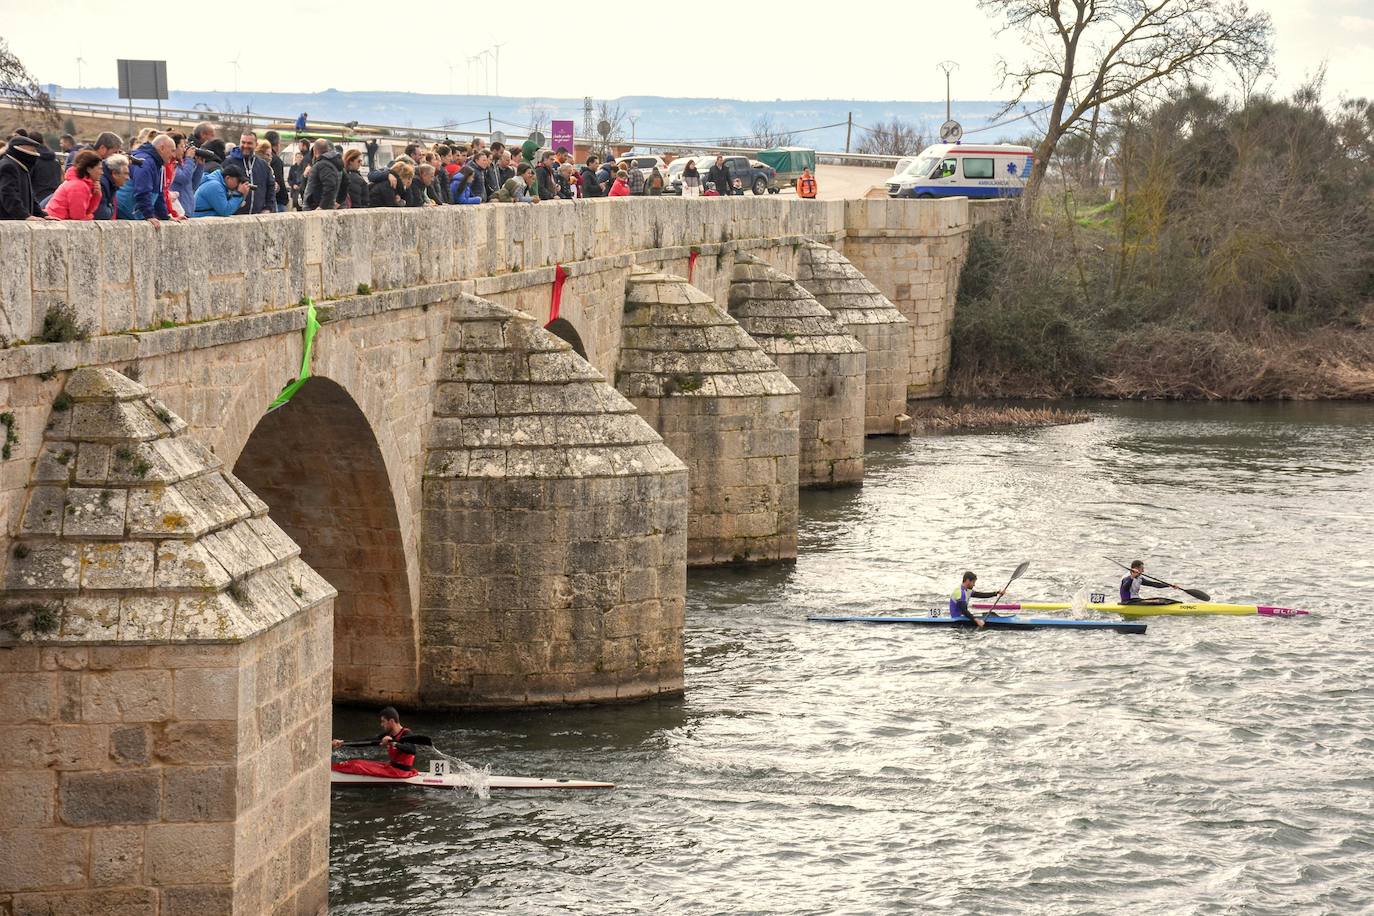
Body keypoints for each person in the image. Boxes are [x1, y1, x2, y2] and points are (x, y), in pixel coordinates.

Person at [330, 707, 420, 779]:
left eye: (383, 721)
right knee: (356, 762)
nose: (381, 724)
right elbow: (367, 741)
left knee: (357, 766)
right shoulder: (387, 734)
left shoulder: (406, 733)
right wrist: (343, 743)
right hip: (391, 767)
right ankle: (332, 769)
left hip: (401, 772)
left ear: (391, 721)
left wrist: (392, 743)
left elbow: (412, 750)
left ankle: (332, 771)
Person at [126, 133, 182, 224]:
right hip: (126, 214)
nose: (174, 155)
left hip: (134, 215)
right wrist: (149, 215)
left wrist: (165, 217)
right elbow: (142, 190)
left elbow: (158, 195)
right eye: (172, 151)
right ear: (162, 148)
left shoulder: (158, 164)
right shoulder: (145, 161)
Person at [0, 135, 50, 220]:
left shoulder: (20, 167)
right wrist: (23, 215)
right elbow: (8, 194)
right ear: (19, 148)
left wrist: (42, 215)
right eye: (32, 150)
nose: (35, 152)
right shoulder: (8, 166)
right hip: (9, 221)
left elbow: (30, 196)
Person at [44, 149, 103, 220]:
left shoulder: (81, 183)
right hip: (57, 222)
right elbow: (78, 217)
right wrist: (90, 217)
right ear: (89, 169)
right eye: (99, 169)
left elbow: (86, 211)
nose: (102, 172)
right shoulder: (78, 186)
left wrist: (96, 195)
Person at [227, 131, 276, 214]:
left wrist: (268, 207)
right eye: (243, 142)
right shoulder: (229, 162)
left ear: (256, 145)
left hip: (257, 216)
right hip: (234, 215)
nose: (245, 146)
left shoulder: (263, 165)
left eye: (249, 143)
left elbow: (271, 187)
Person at [302, 139, 341, 211]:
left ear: (315, 150)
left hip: (316, 207)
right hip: (321, 206)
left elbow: (330, 185)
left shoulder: (323, 164)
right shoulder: (331, 163)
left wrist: (322, 206)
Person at [94, 153, 131, 220]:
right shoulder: (102, 184)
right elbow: (102, 215)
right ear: (114, 174)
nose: (128, 178)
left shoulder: (111, 185)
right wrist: (112, 208)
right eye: (125, 173)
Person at [264, 130, 288, 212]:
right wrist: (285, 198)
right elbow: (279, 180)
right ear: (277, 144)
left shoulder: (258, 158)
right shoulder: (276, 160)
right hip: (277, 201)